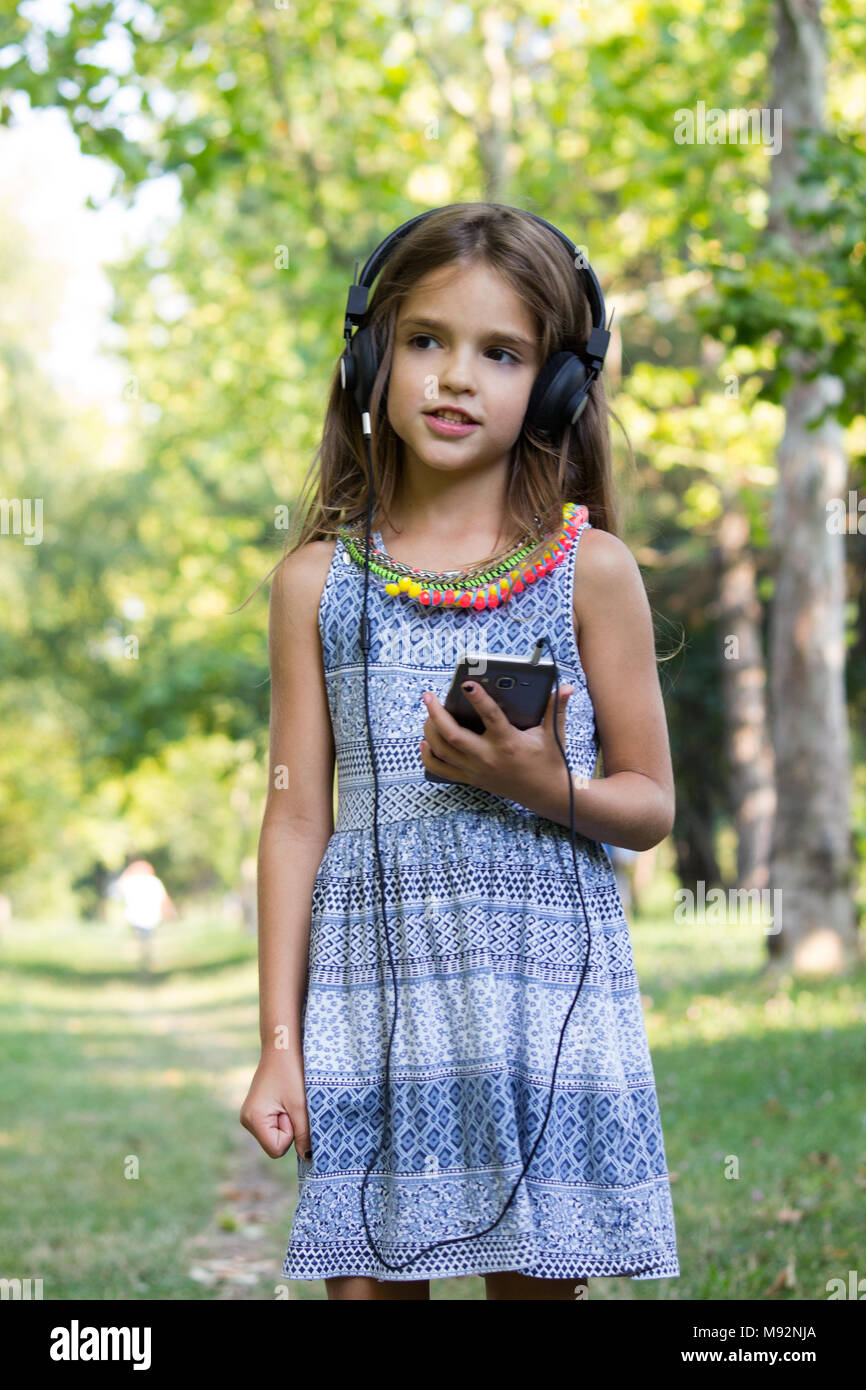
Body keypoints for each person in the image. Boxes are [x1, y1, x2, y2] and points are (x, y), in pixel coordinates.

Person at [239, 203, 679, 1301]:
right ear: (371, 359)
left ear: (556, 385)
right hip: (370, 1006)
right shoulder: (316, 585)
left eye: (500, 352)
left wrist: (542, 785)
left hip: (538, 1010)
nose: (452, 377)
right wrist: (278, 1043)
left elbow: (649, 803)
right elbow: (297, 818)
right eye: (426, 340)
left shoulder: (592, 571)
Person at [111, 860, 176, 973]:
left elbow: (116, 891)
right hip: (151, 917)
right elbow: (164, 898)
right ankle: (147, 962)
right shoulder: (154, 881)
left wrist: (126, 873)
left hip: (136, 918)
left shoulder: (130, 881)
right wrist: (169, 912)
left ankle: (145, 963)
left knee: (142, 942)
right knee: (146, 941)